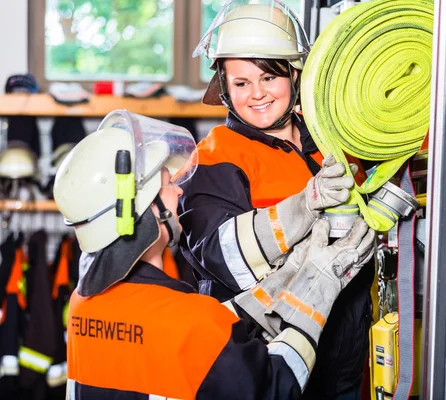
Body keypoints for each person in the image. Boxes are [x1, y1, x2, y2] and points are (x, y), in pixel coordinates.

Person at [53, 111, 375, 399]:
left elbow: (194, 337)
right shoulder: (189, 321)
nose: (178, 190)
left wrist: (289, 274)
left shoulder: (85, 306)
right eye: (166, 184)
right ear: (147, 212)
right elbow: (277, 385)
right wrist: (319, 287)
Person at [179, 0, 375, 398]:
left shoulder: (329, 140)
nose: (257, 95)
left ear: (294, 74)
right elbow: (220, 257)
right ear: (224, 87)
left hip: (345, 356)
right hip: (267, 363)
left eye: (269, 77)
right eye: (241, 83)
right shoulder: (217, 156)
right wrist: (304, 205)